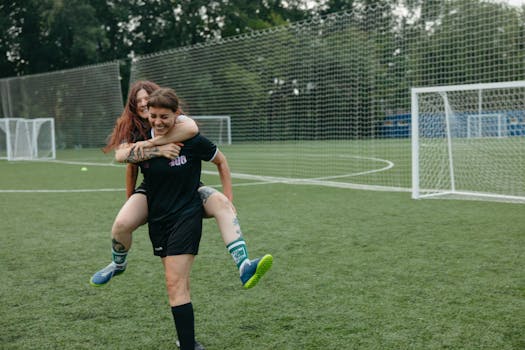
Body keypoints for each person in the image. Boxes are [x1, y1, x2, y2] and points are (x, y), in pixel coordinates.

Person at [90, 81, 272, 292]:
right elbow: (125, 160)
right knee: (121, 224)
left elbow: (195, 131)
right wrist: (155, 153)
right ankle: (118, 263)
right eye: (138, 101)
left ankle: (244, 265)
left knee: (222, 204)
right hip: (153, 192)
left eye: (146, 99)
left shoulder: (182, 126)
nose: (142, 104)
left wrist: (151, 144)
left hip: (188, 189)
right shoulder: (135, 131)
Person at [121, 87, 244, 349]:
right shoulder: (143, 141)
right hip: (159, 217)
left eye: (164, 116)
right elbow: (125, 161)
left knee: (175, 283)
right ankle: (186, 341)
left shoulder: (191, 138)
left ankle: (189, 345)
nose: (157, 121)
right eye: (152, 115)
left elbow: (221, 161)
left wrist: (229, 199)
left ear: (177, 114)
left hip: (186, 214)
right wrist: (132, 199)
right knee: (175, 283)